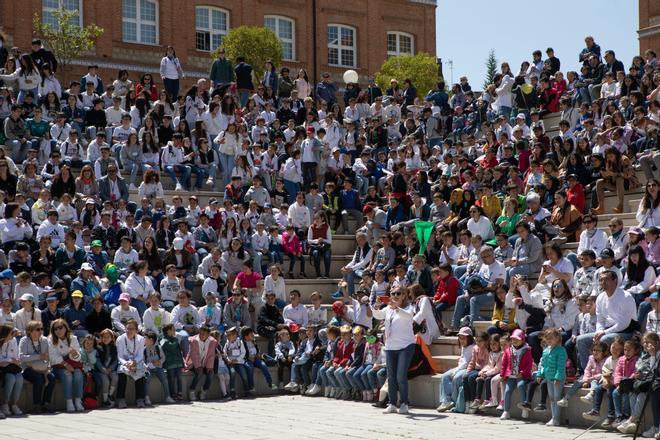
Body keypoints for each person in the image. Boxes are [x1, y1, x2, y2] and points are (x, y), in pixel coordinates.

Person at [576, 270, 637, 372]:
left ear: (615, 281)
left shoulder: (626, 297)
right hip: (607, 331)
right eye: (601, 280)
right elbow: (600, 319)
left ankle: (606, 372)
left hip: (626, 331)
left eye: (606, 280)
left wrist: (603, 333)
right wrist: (598, 332)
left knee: (604, 339)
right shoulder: (600, 297)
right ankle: (586, 372)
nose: (603, 283)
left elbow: (624, 324)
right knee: (581, 340)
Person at [371, 287, 416, 414]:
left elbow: (408, 317)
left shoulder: (409, 307)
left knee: (400, 376)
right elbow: (377, 315)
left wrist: (397, 308)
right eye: (393, 293)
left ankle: (404, 403)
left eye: (398, 293)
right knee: (391, 377)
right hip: (390, 347)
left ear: (404, 295)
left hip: (406, 346)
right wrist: (376, 306)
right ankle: (391, 403)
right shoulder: (388, 309)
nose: (395, 295)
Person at [48, 319, 84, 412]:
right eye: (55, 329)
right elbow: (53, 357)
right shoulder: (50, 340)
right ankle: (69, 402)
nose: (58, 331)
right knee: (67, 375)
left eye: (60, 328)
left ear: (65, 328)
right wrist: (66, 364)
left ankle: (78, 400)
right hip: (58, 366)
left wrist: (75, 354)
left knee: (78, 373)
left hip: (72, 364)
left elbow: (78, 357)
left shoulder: (73, 338)